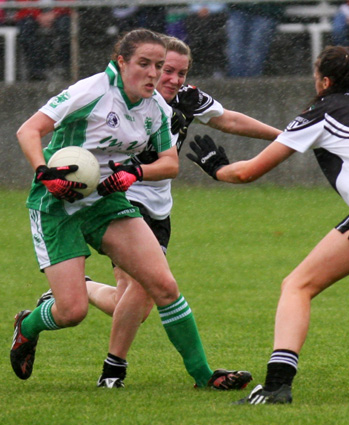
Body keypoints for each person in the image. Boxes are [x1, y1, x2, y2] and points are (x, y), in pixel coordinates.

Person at [186, 45, 349, 404]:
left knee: (298, 285)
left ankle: (278, 385)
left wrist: (217, 169)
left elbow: (249, 172)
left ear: (324, 80)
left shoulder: (320, 111)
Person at [10, 29, 251, 393]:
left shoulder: (156, 108)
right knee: (72, 312)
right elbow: (29, 130)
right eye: (144, 64)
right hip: (57, 204)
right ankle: (27, 327)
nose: (153, 73)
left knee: (164, 286)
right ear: (120, 62)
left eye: (158, 65)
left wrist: (133, 172)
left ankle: (205, 375)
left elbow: (170, 163)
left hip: (107, 203)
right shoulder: (90, 91)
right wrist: (43, 173)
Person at [62, 35, 281, 388]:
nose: (173, 79)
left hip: (159, 205)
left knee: (136, 299)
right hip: (120, 199)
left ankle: (75, 294)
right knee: (145, 288)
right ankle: (114, 371)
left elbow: (231, 120)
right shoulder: (118, 96)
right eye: (166, 70)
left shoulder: (185, 99)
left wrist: (285, 136)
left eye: (181, 72)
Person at [14, 0, 72, 81]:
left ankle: (64, 68)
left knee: (66, 28)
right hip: (29, 15)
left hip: (62, 14)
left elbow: (70, 2)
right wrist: (37, 14)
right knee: (26, 30)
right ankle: (36, 72)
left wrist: (55, 12)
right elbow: (21, 2)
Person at [226, 3, 284, 77]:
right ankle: (237, 80)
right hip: (239, 9)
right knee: (236, 48)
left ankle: (250, 81)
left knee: (255, 48)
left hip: (267, 11)